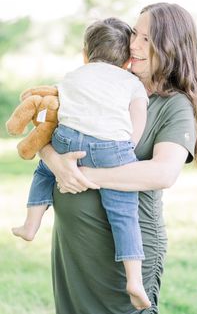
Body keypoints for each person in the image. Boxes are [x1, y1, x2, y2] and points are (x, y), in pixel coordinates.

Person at [39, 3, 197, 314]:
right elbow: (52, 130)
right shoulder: (104, 85)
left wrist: (81, 175)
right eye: (135, 34)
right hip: (73, 247)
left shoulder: (174, 107)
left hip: (125, 254)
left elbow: (163, 173)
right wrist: (53, 161)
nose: (133, 44)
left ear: (171, 46)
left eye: (147, 39)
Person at [12, 17, 151, 310]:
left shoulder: (72, 76)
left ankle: (31, 223)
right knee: (125, 215)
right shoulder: (132, 82)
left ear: (86, 54)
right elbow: (137, 121)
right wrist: (126, 149)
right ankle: (134, 280)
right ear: (127, 59)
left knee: (44, 171)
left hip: (67, 140)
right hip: (112, 147)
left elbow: (58, 115)